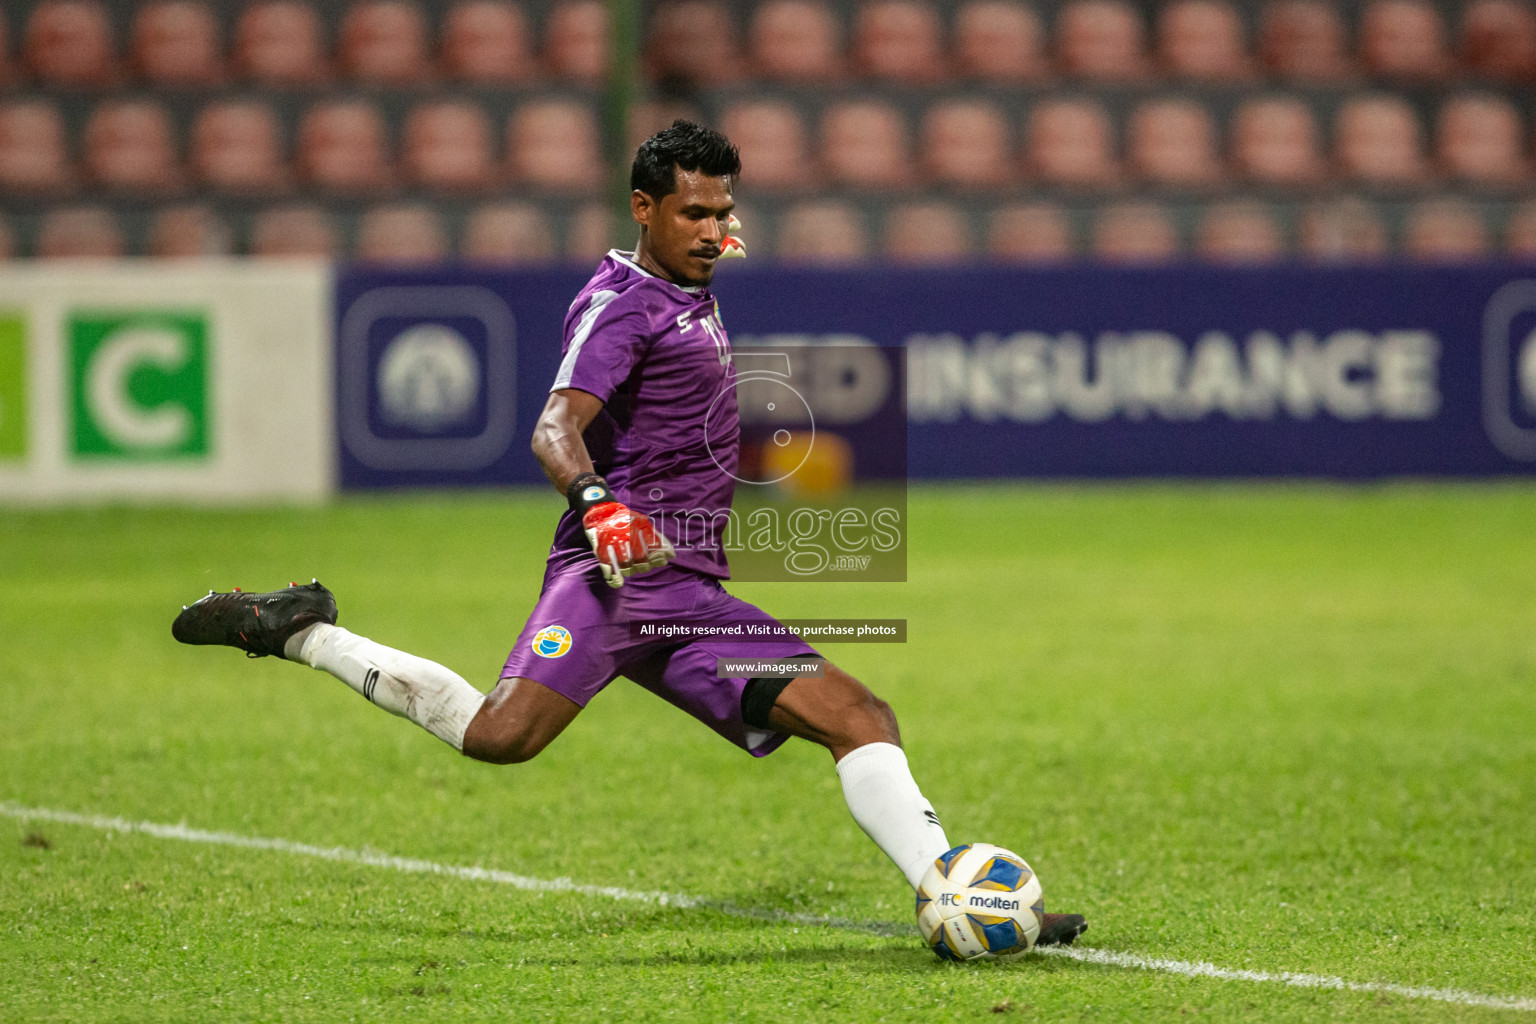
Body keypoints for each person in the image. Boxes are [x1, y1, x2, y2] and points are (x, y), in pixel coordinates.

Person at [172, 121, 1087, 950]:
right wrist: (601, 503)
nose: (712, 230)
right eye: (692, 212)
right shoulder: (622, 305)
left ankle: (959, 898)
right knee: (500, 739)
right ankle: (303, 630)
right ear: (644, 209)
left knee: (859, 718)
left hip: (684, 593)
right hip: (614, 585)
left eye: (723, 211)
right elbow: (552, 430)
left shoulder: (689, 288)